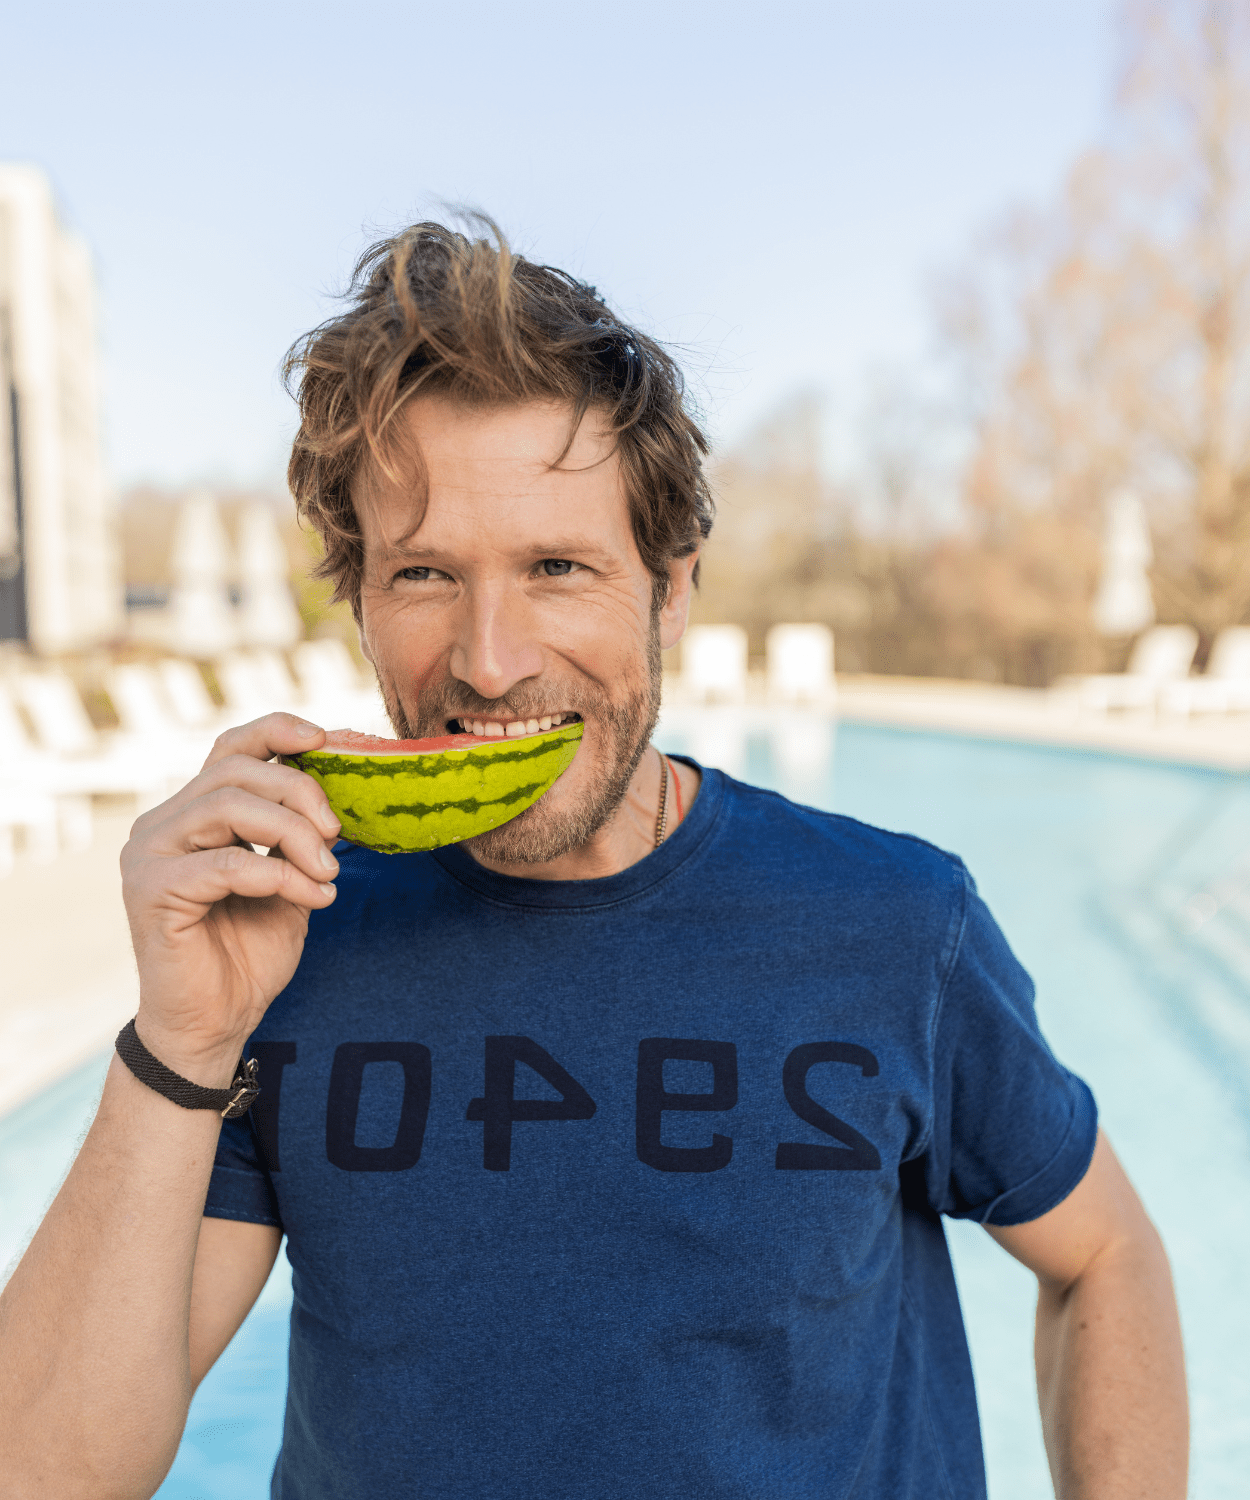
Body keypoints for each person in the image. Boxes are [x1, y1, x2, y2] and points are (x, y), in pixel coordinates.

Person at [0, 220, 1186, 1500]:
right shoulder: (293, 940)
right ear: (358, 600)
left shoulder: (894, 922)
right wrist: (175, 1045)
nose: (489, 658)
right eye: (423, 573)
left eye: (556, 567)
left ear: (669, 591)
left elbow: (1102, 1256)